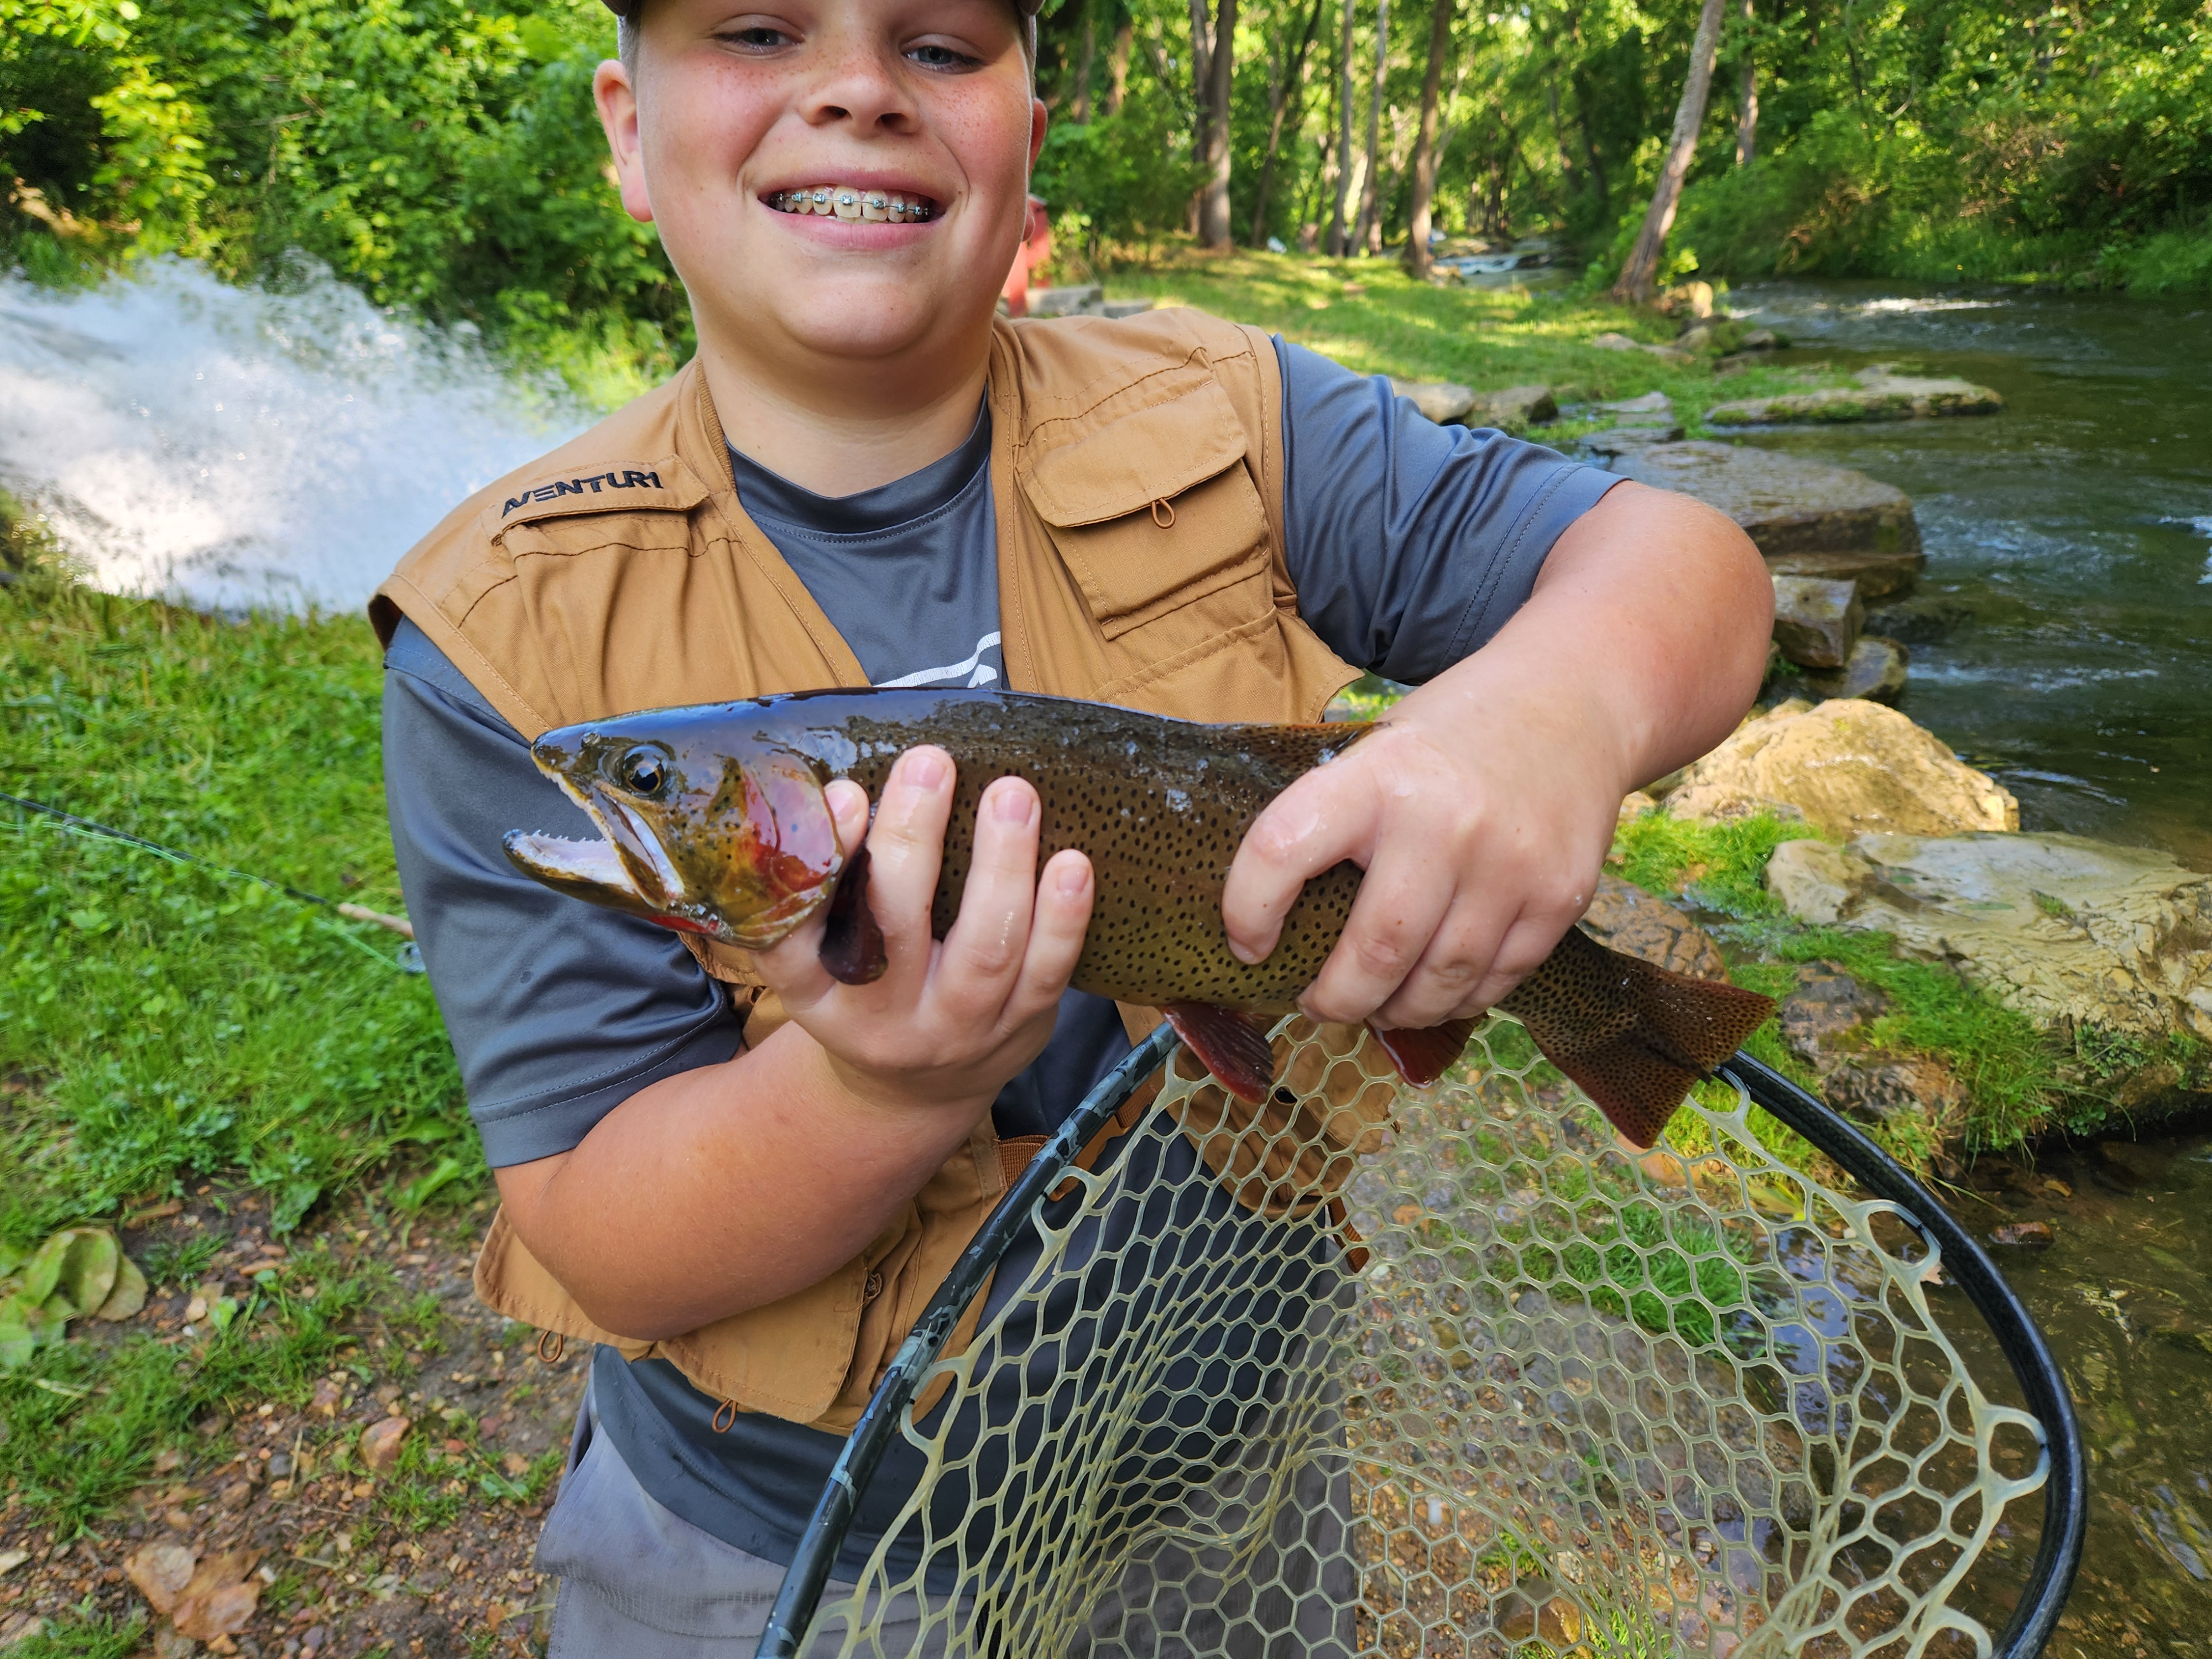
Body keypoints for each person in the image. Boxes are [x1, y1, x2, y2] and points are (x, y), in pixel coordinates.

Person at [371, 0, 1773, 1650]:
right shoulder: (507, 639)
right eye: (757, 29)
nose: (857, 90)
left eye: (941, 46)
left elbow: (1690, 568)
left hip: (1235, 1470)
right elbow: (611, 1240)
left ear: (1029, 138)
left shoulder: (1244, 423)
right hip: (793, 1545)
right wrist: (882, 1086)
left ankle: (1631, 1027)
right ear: (627, 128)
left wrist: (1554, 712)